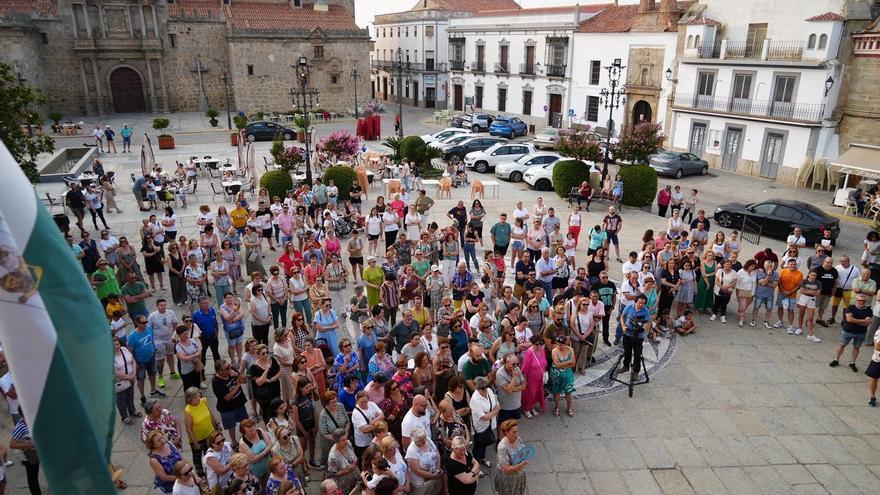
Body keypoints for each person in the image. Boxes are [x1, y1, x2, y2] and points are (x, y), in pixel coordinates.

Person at [127, 315, 164, 405]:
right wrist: (135, 363)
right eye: (143, 322)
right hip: (140, 361)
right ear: (137, 323)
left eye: (146, 321)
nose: (145, 324)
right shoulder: (132, 336)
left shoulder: (149, 329)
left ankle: (153, 390)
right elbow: (130, 351)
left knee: (152, 374)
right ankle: (142, 396)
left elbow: (152, 340)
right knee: (141, 379)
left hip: (151, 357)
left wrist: (154, 348)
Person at [182, 387, 219, 477]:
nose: (198, 399)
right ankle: (201, 475)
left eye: (198, 396)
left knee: (211, 454)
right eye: (195, 398)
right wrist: (195, 443)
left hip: (210, 435)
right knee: (197, 458)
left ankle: (212, 470)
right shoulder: (188, 411)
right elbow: (188, 429)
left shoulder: (203, 401)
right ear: (189, 399)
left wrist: (216, 424)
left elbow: (210, 413)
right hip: (198, 439)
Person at [831, 294, 873, 372]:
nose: (861, 302)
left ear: (866, 301)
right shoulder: (851, 308)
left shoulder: (869, 310)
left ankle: (852, 362)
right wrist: (862, 321)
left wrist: (855, 320)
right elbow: (849, 319)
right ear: (856, 301)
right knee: (842, 345)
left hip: (861, 333)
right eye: (859, 300)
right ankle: (836, 359)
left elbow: (867, 323)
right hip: (848, 331)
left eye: (863, 301)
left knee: (856, 347)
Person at [212, 359, 249, 444]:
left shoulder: (232, 370)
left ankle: (246, 438)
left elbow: (245, 380)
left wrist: (238, 374)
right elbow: (227, 397)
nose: (230, 368)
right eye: (227, 368)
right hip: (227, 409)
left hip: (239, 404)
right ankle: (234, 442)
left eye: (229, 366)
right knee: (231, 427)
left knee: (244, 423)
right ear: (220, 371)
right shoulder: (216, 382)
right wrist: (238, 385)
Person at [619, 294, 651, 383]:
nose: (641, 305)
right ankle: (626, 366)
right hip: (628, 334)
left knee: (637, 354)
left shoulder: (646, 311)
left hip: (639, 336)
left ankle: (636, 371)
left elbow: (647, 323)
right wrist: (623, 326)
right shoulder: (629, 307)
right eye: (640, 303)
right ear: (635, 301)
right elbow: (622, 316)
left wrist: (644, 328)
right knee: (627, 351)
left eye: (643, 303)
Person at [469, 376, 499, 467]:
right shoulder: (475, 399)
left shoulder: (489, 391)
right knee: (478, 445)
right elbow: (483, 417)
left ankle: (482, 458)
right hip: (481, 426)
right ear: (477, 388)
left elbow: (496, 402)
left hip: (490, 423)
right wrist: (495, 411)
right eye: (482, 388)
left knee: (485, 442)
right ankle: (475, 464)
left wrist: (490, 413)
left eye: (486, 386)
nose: (485, 389)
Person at [405, 426, 443, 495]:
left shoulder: (427, 440)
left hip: (435, 476)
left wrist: (437, 469)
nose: (424, 441)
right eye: (421, 440)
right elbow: (417, 471)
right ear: (415, 440)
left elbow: (437, 453)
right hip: (423, 483)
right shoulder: (411, 451)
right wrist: (433, 476)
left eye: (424, 438)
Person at [495, 419, 528, 495]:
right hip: (507, 479)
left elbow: (523, 450)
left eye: (517, 431)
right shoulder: (502, 447)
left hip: (518, 475)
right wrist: (521, 465)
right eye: (514, 432)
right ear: (506, 432)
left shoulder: (518, 439)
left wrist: (525, 456)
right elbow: (506, 469)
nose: (517, 434)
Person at [113, 335, 141, 425]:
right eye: (113, 345)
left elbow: (132, 360)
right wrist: (128, 377)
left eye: (117, 344)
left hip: (131, 377)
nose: (115, 346)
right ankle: (124, 416)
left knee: (130, 395)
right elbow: (115, 372)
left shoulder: (124, 349)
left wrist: (133, 373)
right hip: (120, 381)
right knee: (121, 399)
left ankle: (132, 410)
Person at [146, 430, 182, 494]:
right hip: (169, 486)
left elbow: (181, 457)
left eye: (162, 437)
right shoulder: (154, 459)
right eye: (158, 440)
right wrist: (181, 478)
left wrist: (188, 468)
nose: (162, 441)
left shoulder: (169, 444)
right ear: (153, 445)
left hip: (181, 478)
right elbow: (164, 477)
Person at [326, 429, 360, 493]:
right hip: (344, 484)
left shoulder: (348, 443)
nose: (346, 441)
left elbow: (353, 454)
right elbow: (331, 474)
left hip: (355, 478)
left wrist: (355, 461)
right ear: (337, 441)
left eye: (346, 438)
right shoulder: (333, 456)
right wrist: (346, 470)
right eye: (343, 440)